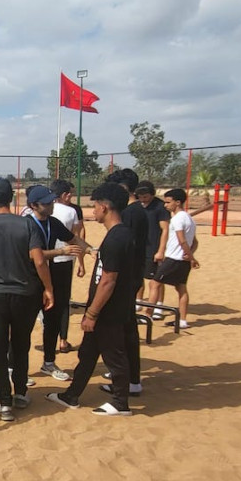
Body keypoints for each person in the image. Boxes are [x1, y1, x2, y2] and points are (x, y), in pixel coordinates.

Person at [47, 182, 135, 416]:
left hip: (108, 311)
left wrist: (92, 313)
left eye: (94, 206)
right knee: (87, 354)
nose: (92, 210)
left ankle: (120, 402)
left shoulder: (118, 238)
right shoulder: (117, 235)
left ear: (105, 207)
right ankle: (72, 395)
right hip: (103, 309)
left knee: (114, 356)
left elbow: (108, 280)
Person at [0, 179, 54, 422]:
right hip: (25, 294)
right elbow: (39, 260)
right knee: (21, 343)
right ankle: (20, 392)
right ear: (12, 198)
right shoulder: (27, 225)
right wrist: (48, 288)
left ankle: (3, 401)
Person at [25, 185, 92, 382]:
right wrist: (60, 252)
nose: (51, 204)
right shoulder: (26, 225)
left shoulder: (53, 223)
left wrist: (91, 251)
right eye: (46, 202)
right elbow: (31, 255)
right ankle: (16, 367)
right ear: (34, 205)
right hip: (30, 278)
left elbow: (74, 239)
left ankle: (49, 362)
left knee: (52, 321)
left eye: (51, 200)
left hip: (50, 276)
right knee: (25, 325)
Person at [104, 169, 148, 398]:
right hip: (132, 275)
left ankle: (127, 382)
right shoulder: (137, 211)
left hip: (125, 279)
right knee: (127, 329)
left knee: (122, 331)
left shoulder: (129, 215)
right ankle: (131, 380)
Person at [148, 188, 199, 329]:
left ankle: (148, 314)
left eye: (168, 202)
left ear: (177, 202)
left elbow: (182, 240)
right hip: (182, 259)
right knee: (181, 288)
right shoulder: (190, 219)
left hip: (174, 259)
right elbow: (195, 242)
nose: (165, 205)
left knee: (155, 283)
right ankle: (182, 320)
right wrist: (190, 255)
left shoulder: (177, 219)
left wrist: (190, 256)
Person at [49, 179, 87, 354]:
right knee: (63, 302)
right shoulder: (71, 211)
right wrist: (81, 261)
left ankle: (47, 335)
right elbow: (76, 236)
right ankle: (63, 341)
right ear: (65, 195)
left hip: (44, 260)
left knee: (45, 298)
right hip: (64, 260)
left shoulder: (39, 208)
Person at [135, 181, 170, 315]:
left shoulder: (160, 207)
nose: (143, 199)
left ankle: (158, 305)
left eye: (145, 196)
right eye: (140, 196)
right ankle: (139, 300)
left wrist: (161, 250)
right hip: (140, 247)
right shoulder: (137, 206)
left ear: (152, 194)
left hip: (154, 248)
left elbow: (165, 229)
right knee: (137, 275)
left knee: (156, 278)